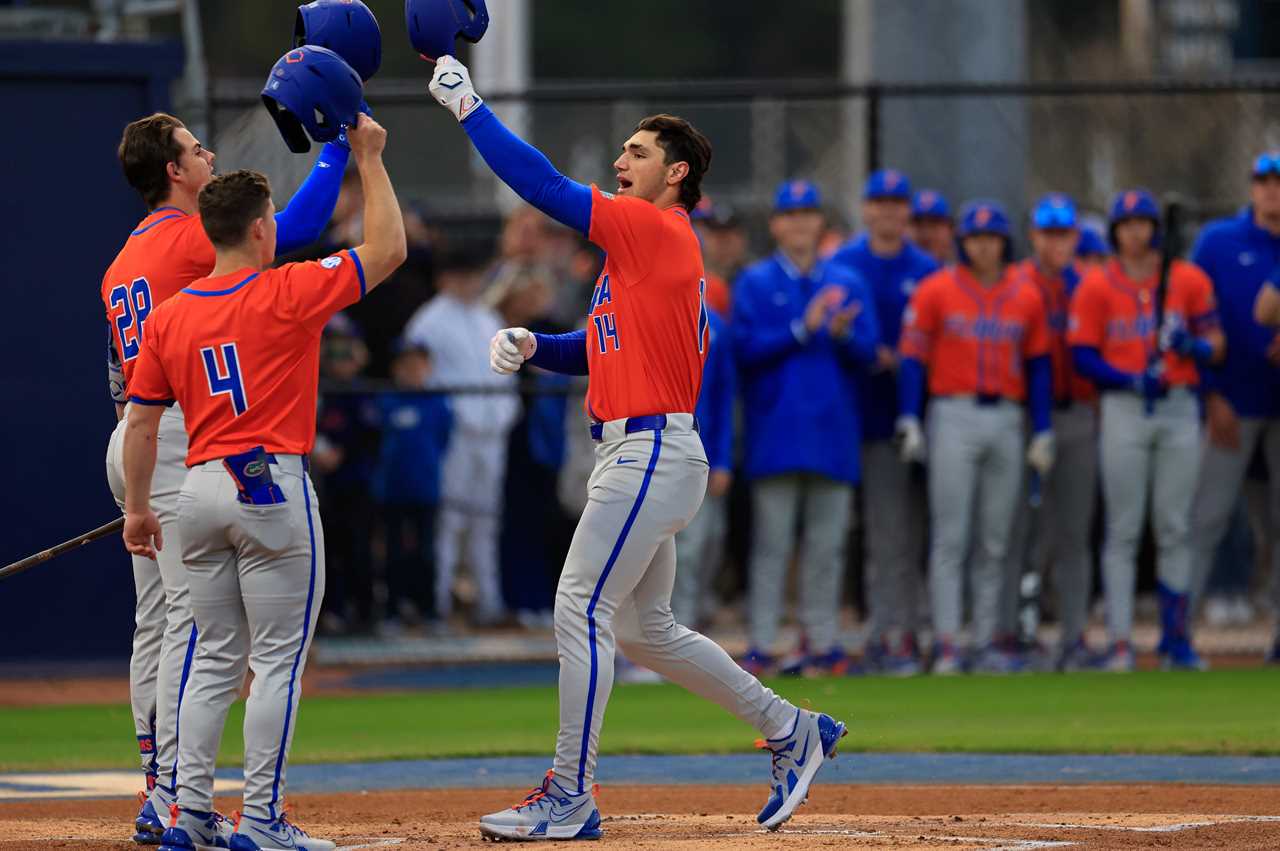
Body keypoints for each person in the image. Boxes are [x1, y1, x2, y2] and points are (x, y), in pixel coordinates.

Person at [427, 55, 846, 840]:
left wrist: (469, 107)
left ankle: (569, 793)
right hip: (647, 451)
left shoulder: (655, 227)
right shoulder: (639, 253)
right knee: (644, 629)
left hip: (649, 451)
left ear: (676, 173)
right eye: (622, 150)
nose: (621, 161)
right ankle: (793, 727)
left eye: (639, 152)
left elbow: (544, 187)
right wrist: (536, 343)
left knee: (578, 607)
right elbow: (601, 344)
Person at [121, 114, 405, 851]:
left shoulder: (172, 315)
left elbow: (143, 424)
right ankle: (266, 819)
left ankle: (186, 814)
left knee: (211, 655)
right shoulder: (287, 290)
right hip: (268, 484)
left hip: (195, 493)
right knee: (275, 661)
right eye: (272, 218)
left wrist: (136, 511)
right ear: (256, 230)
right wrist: (368, 160)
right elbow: (389, 249)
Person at [1068, 188, 1224, 672]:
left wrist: (1191, 347)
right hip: (1125, 407)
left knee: (1176, 526)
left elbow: (1216, 344)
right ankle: (1119, 641)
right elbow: (1082, 353)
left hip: (1177, 405)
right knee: (1123, 528)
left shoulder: (1187, 278)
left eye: (1143, 222)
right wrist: (1129, 377)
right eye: (1127, 223)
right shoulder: (1097, 284)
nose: (1136, 232)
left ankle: (1176, 639)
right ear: (1115, 232)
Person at [896, 200, 1054, 675]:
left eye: (992, 236)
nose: (984, 244)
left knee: (996, 538)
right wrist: (910, 416)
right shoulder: (936, 289)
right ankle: (946, 641)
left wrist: (1042, 427)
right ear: (963, 242)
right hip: (953, 411)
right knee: (951, 535)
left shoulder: (1025, 294)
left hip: (1006, 414)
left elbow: (1040, 364)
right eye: (975, 236)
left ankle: (984, 639)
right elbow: (912, 357)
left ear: (1005, 241)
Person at [732, 180, 879, 677]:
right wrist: (802, 327)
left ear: (820, 223)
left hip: (833, 430)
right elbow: (742, 352)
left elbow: (870, 354)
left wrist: (844, 335)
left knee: (827, 544)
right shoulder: (753, 281)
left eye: (808, 214)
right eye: (790, 214)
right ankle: (764, 643)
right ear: (775, 223)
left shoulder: (847, 280)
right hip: (776, 429)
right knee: (772, 544)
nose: (799, 224)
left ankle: (822, 640)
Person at [830, 169, 938, 675]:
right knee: (886, 532)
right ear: (867, 209)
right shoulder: (846, 262)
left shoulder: (927, 266)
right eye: (881, 203)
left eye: (899, 203)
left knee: (927, 532)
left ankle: (917, 630)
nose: (890, 212)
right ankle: (889, 633)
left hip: (927, 409)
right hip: (867, 412)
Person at [1187, 153, 1280, 660]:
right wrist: (1210, 394)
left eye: (1279, 182)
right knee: (1206, 517)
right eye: (1263, 181)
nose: (1272, 190)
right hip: (1233, 403)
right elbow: (1194, 315)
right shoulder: (1218, 242)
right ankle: (1178, 635)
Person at [1000, 194, 1098, 672]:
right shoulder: (1016, 283)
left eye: (1063, 233)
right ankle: (1011, 635)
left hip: (1077, 412)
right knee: (1016, 531)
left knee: (1072, 533)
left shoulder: (1089, 284)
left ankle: (1073, 637)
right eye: (1047, 232)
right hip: (1021, 415)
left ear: (1075, 238)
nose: (1055, 242)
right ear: (1034, 235)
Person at [403, 249, 519, 626]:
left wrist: (505, 414)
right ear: (445, 278)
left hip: (492, 432)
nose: (469, 281)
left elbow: (508, 369)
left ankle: (489, 602)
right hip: (454, 433)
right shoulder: (429, 321)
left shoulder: (488, 316)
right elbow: (421, 375)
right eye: (461, 274)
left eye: (473, 274)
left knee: (487, 521)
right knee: (449, 520)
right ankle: (438, 603)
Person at [372, 338, 452, 633]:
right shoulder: (385, 400)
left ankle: (428, 611)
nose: (413, 371)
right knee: (393, 552)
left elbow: (443, 440)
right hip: (392, 489)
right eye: (406, 365)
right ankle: (392, 610)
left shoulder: (437, 402)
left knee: (427, 551)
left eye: (419, 364)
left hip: (426, 489)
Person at [312, 313, 379, 635]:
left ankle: (363, 615)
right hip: (321, 485)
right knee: (327, 551)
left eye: (345, 347)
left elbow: (369, 434)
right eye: (332, 347)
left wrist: (341, 452)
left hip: (356, 482)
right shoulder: (313, 384)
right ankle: (331, 614)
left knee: (358, 549)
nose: (339, 354)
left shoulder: (360, 390)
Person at [670, 305, 735, 630]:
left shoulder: (714, 325)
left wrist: (723, 459)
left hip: (701, 452)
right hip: (654, 447)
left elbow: (725, 397)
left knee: (704, 543)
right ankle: (659, 633)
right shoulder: (646, 312)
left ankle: (683, 627)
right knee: (659, 551)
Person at [908, 189, 956, 265]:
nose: (926, 234)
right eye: (918, 225)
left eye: (934, 226)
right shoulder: (890, 274)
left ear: (951, 231)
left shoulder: (966, 274)